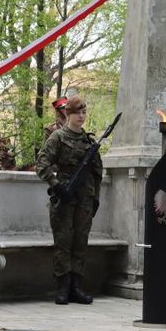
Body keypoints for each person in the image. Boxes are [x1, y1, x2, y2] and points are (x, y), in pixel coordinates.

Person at [36, 97, 102, 305]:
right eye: (77, 113)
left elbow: (97, 173)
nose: (81, 116)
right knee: (63, 243)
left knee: (80, 242)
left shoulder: (89, 142)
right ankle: (63, 287)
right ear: (68, 115)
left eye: (83, 112)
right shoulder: (58, 137)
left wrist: (95, 198)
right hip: (64, 197)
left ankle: (76, 287)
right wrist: (56, 185)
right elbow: (42, 164)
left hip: (85, 199)